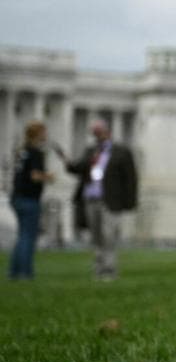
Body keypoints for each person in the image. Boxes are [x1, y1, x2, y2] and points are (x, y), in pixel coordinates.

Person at [59, 119, 138, 281]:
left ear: (108, 132)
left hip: (111, 200)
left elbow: (131, 178)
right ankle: (99, 268)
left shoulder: (121, 152)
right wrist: (67, 162)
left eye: (99, 131)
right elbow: (79, 168)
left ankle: (109, 269)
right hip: (91, 198)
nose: (97, 135)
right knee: (96, 237)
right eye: (94, 132)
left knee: (109, 236)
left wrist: (130, 202)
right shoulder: (91, 151)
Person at [9, 121, 54, 280]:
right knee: (28, 236)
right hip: (29, 198)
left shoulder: (22, 151)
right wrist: (49, 177)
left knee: (22, 235)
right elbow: (35, 176)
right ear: (38, 134)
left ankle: (14, 272)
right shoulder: (36, 152)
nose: (46, 135)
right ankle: (25, 272)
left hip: (16, 196)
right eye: (44, 132)